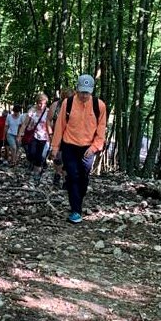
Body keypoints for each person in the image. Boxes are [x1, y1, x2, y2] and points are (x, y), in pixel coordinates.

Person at [50, 74, 107, 223]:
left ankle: (77, 202)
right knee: (72, 176)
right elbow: (60, 126)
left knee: (83, 178)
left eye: (87, 92)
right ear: (77, 90)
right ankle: (76, 210)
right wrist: (55, 147)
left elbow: (101, 131)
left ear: (91, 91)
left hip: (88, 148)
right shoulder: (68, 103)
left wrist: (95, 147)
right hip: (69, 145)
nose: (84, 95)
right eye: (81, 92)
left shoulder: (99, 105)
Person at [19, 92, 51, 185]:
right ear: (37, 102)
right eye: (40, 103)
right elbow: (25, 123)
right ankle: (32, 163)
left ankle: (37, 174)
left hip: (44, 136)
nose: (42, 105)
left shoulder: (48, 111)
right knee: (31, 153)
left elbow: (50, 124)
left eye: (44, 103)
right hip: (33, 135)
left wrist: (51, 136)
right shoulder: (32, 110)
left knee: (40, 156)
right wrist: (20, 134)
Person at [49, 88, 74, 188]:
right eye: (66, 98)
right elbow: (48, 120)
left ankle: (65, 180)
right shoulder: (56, 105)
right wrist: (50, 133)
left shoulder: (76, 106)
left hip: (70, 137)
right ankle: (57, 174)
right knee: (58, 158)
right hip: (57, 135)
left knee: (68, 159)